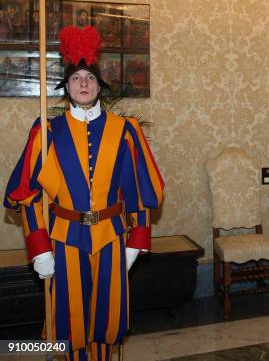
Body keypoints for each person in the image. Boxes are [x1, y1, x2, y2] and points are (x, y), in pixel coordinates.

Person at [3, 25, 164, 360]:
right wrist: (39, 248)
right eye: (76, 78)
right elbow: (28, 194)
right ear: (66, 86)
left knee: (108, 321)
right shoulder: (47, 132)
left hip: (112, 238)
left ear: (99, 84)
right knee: (69, 323)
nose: (84, 84)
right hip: (63, 240)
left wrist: (136, 242)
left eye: (89, 78)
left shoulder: (125, 131)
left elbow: (141, 189)